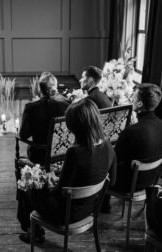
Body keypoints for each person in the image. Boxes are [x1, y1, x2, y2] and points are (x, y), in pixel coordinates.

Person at [18, 98, 117, 243]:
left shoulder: (75, 152)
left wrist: (47, 181)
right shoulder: (108, 145)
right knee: (36, 180)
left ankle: (34, 232)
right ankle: (33, 230)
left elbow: (59, 194)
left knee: (26, 184)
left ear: (75, 126)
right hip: (89, 208)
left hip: (66, 214)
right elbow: (112, 181)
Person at [102, 83, 162, 212]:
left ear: (140, 104)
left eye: (133, 97)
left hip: (129, 185)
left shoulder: (130, 132)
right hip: (151, 180)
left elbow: (114, 162)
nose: (131, 98)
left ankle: (102, 206)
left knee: (103, 164)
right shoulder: (160, 124)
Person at [19, 72, 69, 164]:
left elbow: (23, 135)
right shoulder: (66, 105)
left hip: (39, 155)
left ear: (40, 89)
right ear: (55, 88)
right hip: (62, 154)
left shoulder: (31, 108)